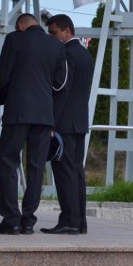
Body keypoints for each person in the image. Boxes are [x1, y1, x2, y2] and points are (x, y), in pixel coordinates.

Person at [0, 13, 67, 235]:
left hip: (18, 113)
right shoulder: (56, 46)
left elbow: (2, 76)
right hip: (44, 117)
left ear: (20, 26)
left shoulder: (14, 40)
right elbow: (59, 84)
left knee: (7, 162)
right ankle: (28, 221)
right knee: (36, 167)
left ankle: (11, 219)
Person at [42, 14, 94, 235]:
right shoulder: (84, 54)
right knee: (76, 173)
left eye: (54, 33)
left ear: (67, 31)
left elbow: (62, 91)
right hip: (79, 122)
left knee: (64, 173)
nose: (51, 38)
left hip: (64, 124)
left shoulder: (66, 55)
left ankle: (69, 221)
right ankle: (79, 221)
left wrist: (51, 123)